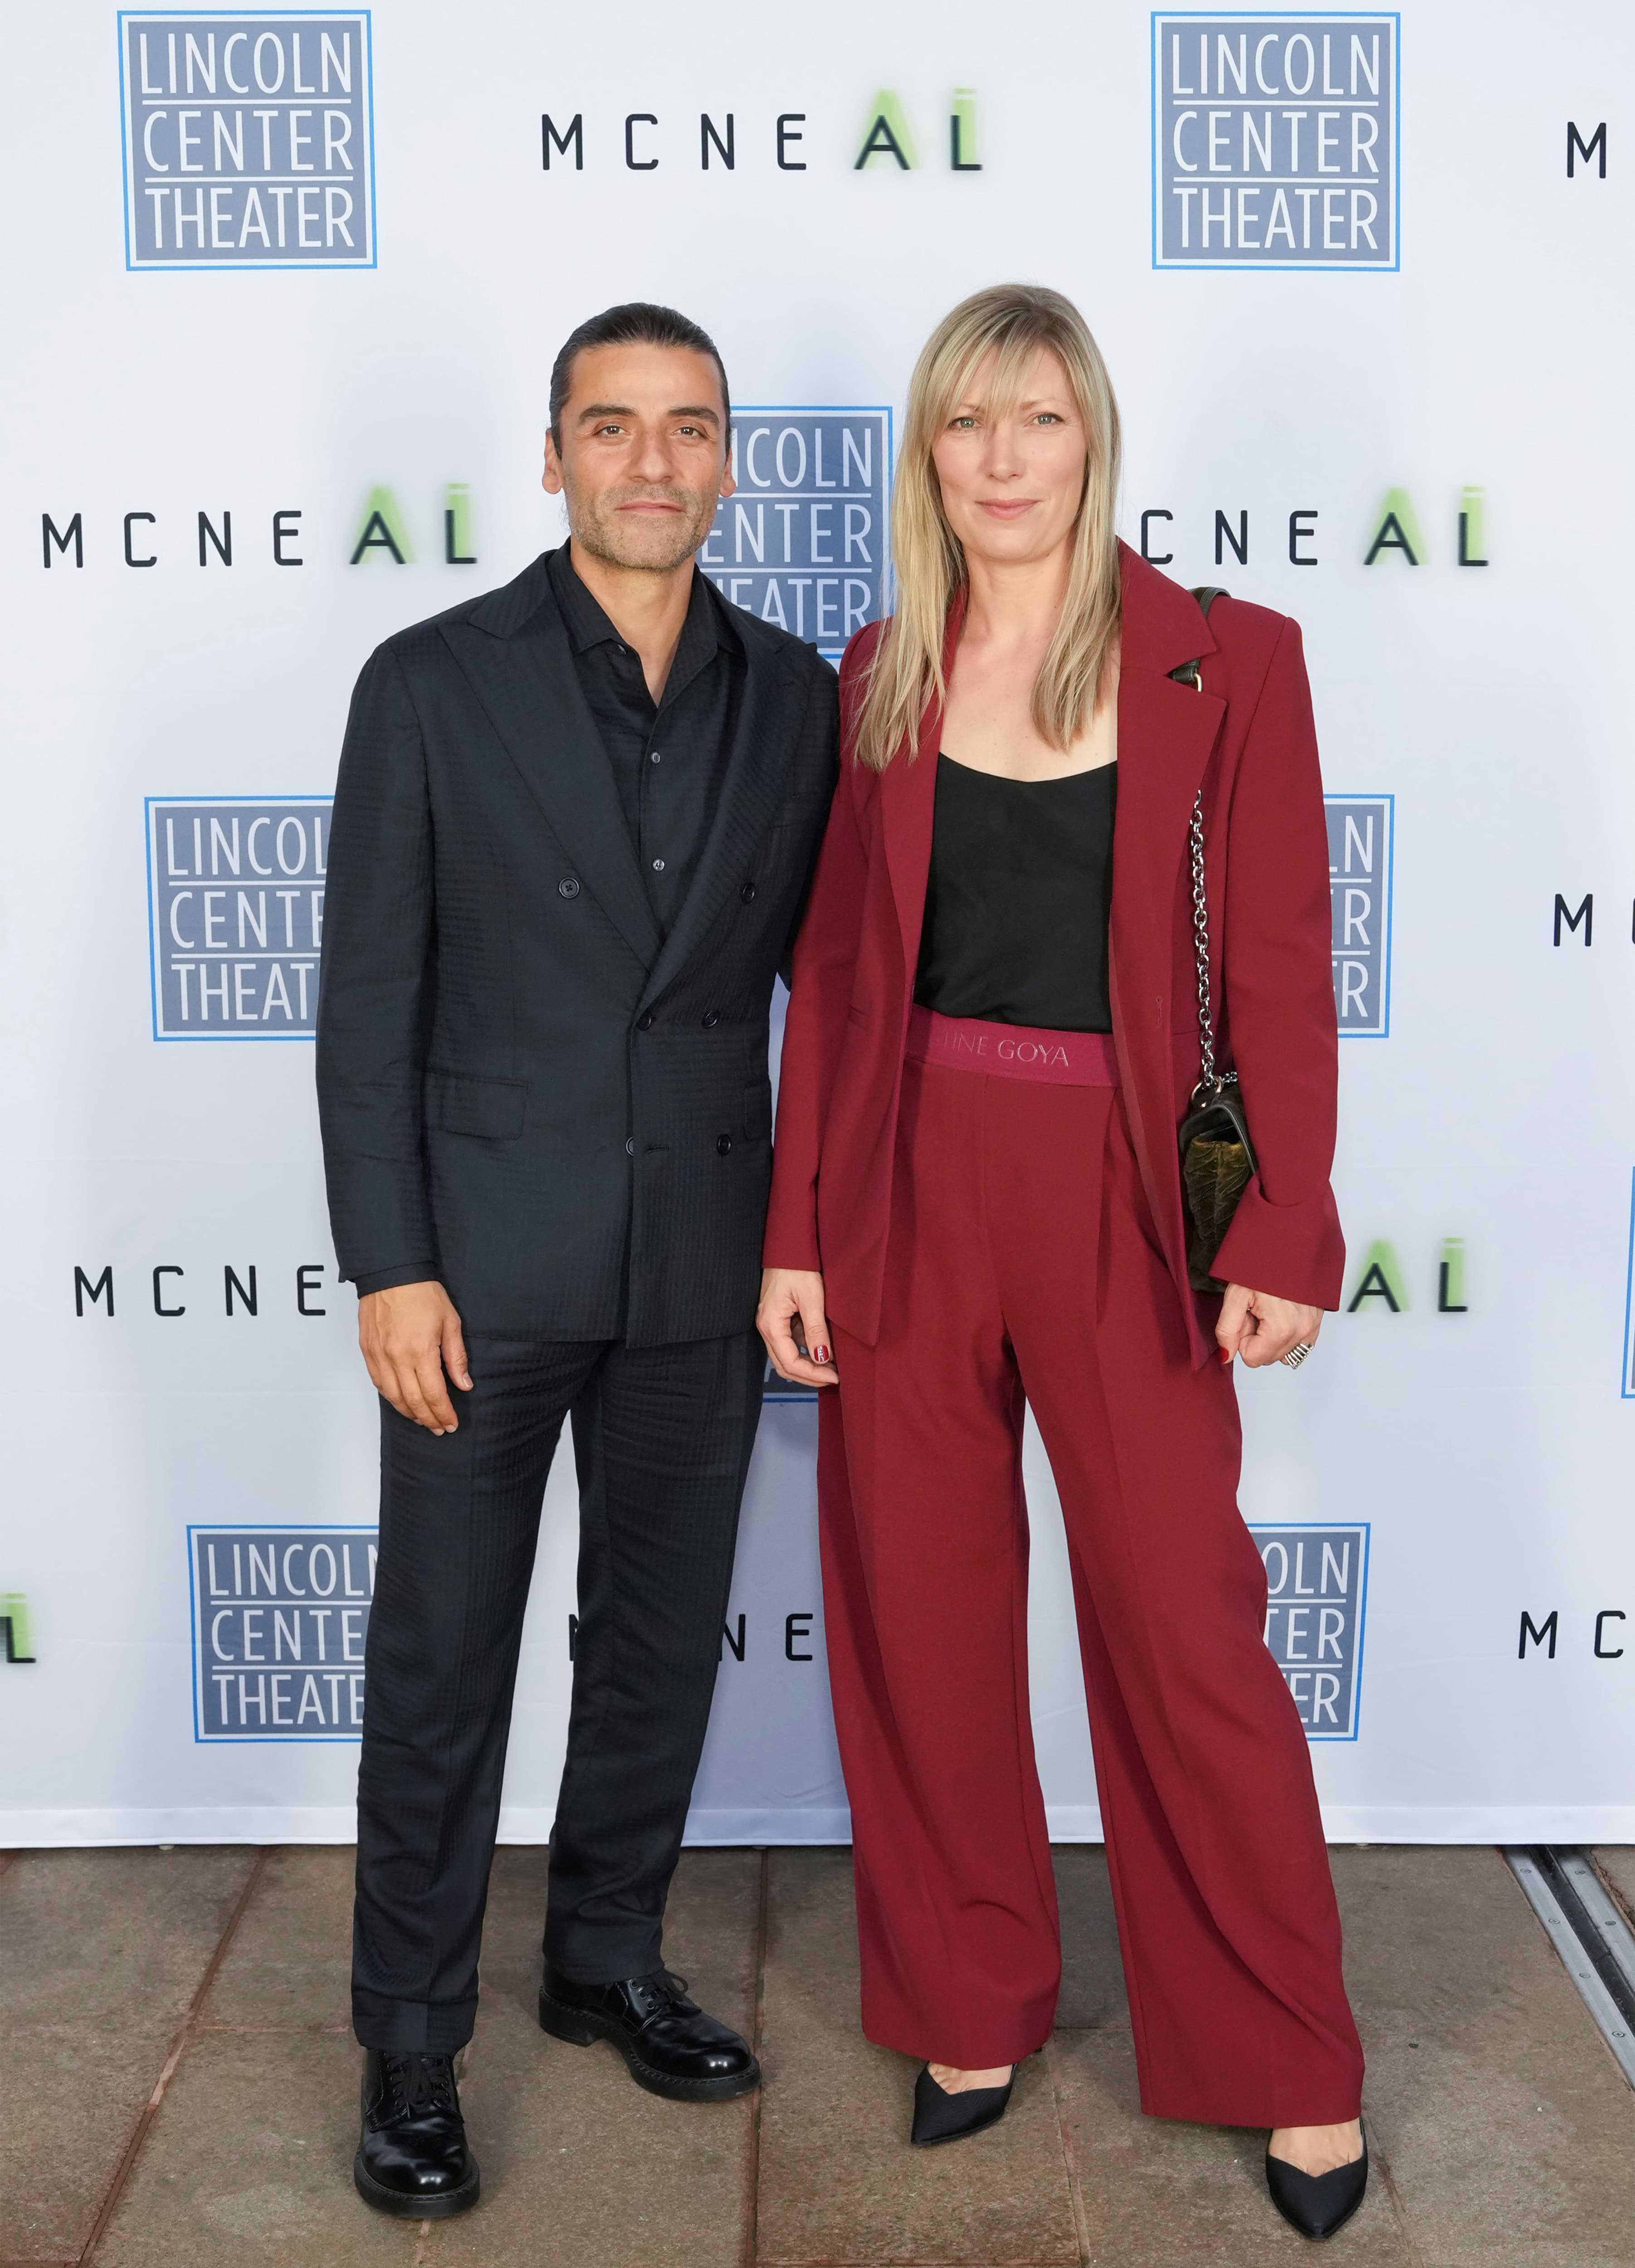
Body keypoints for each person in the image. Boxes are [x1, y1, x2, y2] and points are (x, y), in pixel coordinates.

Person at [757, 284, 1367, 2242]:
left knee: (1183, 1624)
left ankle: (1286, 2054)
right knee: (920, 1616)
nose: (1003, 457)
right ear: (926, 454)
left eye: (1037, 417)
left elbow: (1279, 963)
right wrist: (797, 1229)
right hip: (908, 1181)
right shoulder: (882, 669)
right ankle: (966, 2004)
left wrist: (1280, 1222)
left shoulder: (1229, 660)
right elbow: (836, 980)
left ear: (1092, 434)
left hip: (1127, 1191)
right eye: (966, 422)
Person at [317, 301, 839, 2219]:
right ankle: (409, 2042)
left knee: (654, 1642)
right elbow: (366, 1004)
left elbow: (831, 993)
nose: (650, 460)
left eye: (687, 426)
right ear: (552, 457)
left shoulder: (797, 697)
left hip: (701, 1256)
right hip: (478, 1265)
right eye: (610, 425)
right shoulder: (427, 683)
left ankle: (603, 1954)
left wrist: (807, 1234)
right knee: (440, 1659)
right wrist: (390, 1261)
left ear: (727, 463)